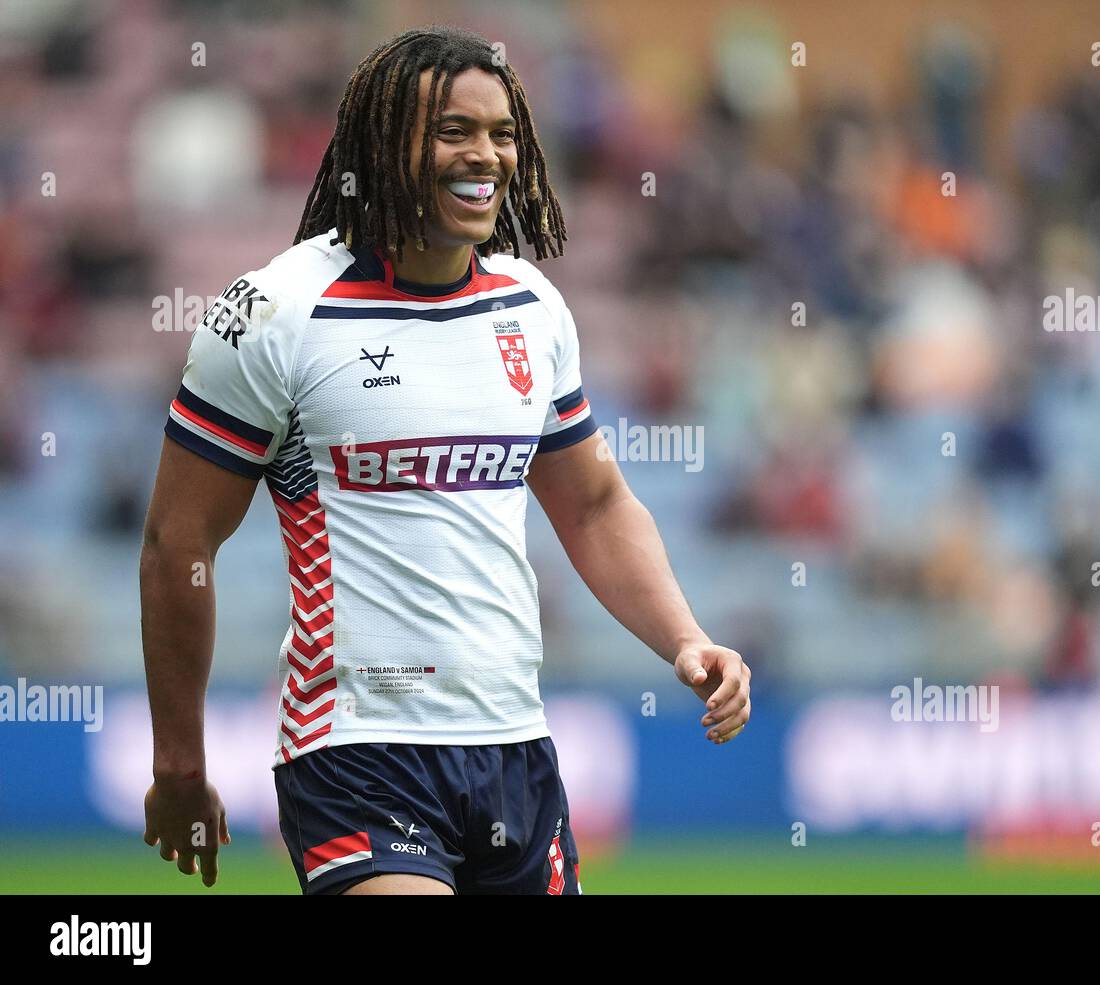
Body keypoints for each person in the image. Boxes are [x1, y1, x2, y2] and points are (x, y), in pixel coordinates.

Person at [139, 25, 751, 895]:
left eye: (502, 133)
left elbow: (595, 507)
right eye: (454, 130)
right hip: (356, 748)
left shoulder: (530, 307)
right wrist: (179, 764)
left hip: (514, 749)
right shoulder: (278, 311)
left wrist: (687, 640)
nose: (488, 155)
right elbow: (178, 541)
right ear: (384, 143)